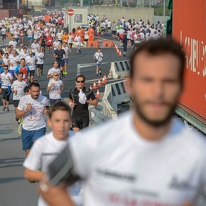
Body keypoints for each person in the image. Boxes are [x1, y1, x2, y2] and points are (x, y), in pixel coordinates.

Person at [39, 38, 206, 205]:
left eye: (168, 81)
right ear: (130, 85)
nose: (158, 91)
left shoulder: (198, 153)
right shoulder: (94, 142)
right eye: (147, 80)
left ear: (181, 86)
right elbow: (49, 185)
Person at [23, 102, 82, 205]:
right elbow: (28, 173)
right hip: (49, 201)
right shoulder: (41, 144)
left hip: (76, 200)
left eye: (65, 121)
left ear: (71, 122)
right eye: (57, 121)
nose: (62, 126)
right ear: (50, 122)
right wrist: (50, 176)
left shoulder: (81, 141)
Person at [16, 82, 49, 157]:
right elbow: (17, 115)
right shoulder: (24, 99)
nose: (36, 93)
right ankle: (30, 167)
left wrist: (47, 110)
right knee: (28, 151)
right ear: (30, 91)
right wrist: (26, 110)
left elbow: (47, 107)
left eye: (37, 91)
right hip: (26, 128)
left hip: (40, 127)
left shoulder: (44, 99)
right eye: (34, 91)